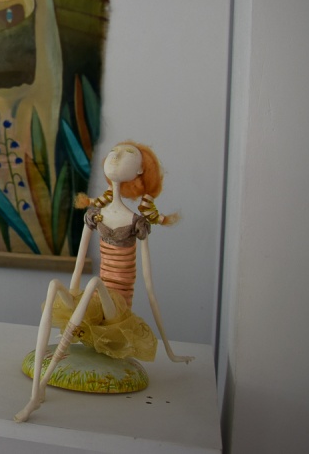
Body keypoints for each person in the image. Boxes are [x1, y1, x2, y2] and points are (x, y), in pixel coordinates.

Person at [14, 142, 193, 423]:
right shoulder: (95, 216)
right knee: (54, 286)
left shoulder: (136, 222)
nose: (117, 155)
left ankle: (37, 396)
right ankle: (38, 389)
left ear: (140, 171)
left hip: (116, 307)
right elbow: (77, 267)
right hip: (94, 299)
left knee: (95, 282)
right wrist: (72, 301)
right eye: (114, 151)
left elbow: (149, 286)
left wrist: (170, 351)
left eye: (128, 154)